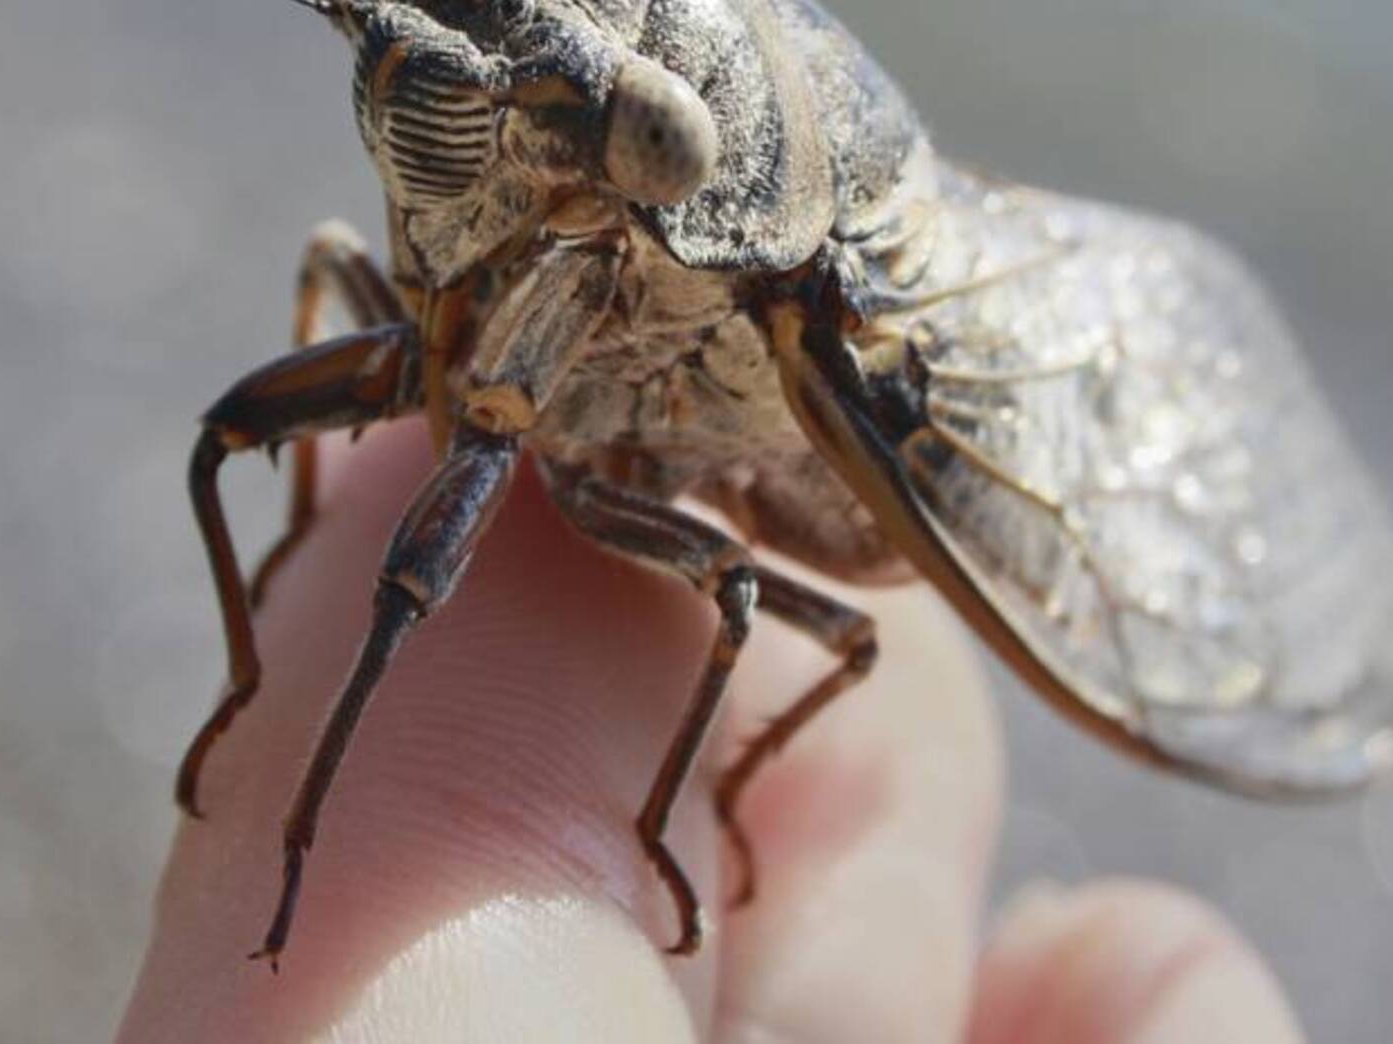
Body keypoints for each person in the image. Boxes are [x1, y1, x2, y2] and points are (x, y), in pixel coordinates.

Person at [120, 420, 1305, 1043]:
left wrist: (689, 815)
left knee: (798, 621)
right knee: (240, 426)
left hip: (745, 442)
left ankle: (671, 814)